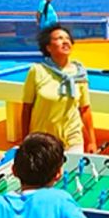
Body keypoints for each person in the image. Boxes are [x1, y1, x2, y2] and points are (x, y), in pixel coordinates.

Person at [22, 24, 97, 153]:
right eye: (59, 38)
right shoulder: (37, 70)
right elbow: (26, 108)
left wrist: (91, 141)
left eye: (67, 38)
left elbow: (85, 109)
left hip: (72, 139)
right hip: (43, 141)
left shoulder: (80, 74)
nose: (65, 41)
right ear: (48, 47)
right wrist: (25, 140)